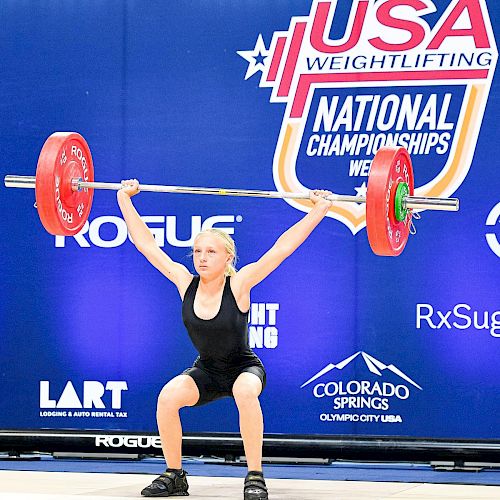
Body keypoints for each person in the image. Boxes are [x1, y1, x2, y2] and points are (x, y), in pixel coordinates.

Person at [117, 179, 333, 499]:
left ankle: (255, 475)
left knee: (245, 390)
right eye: (198, 251)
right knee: (167, 397)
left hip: (244, 368)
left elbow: (282, 248)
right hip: (207, 370)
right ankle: (175, 475)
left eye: (211, 251)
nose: (202, 257)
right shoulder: (183, 282)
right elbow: (145, 244)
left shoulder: (240, 284)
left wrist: (320, 210)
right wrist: (124, 199)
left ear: (228, 258)